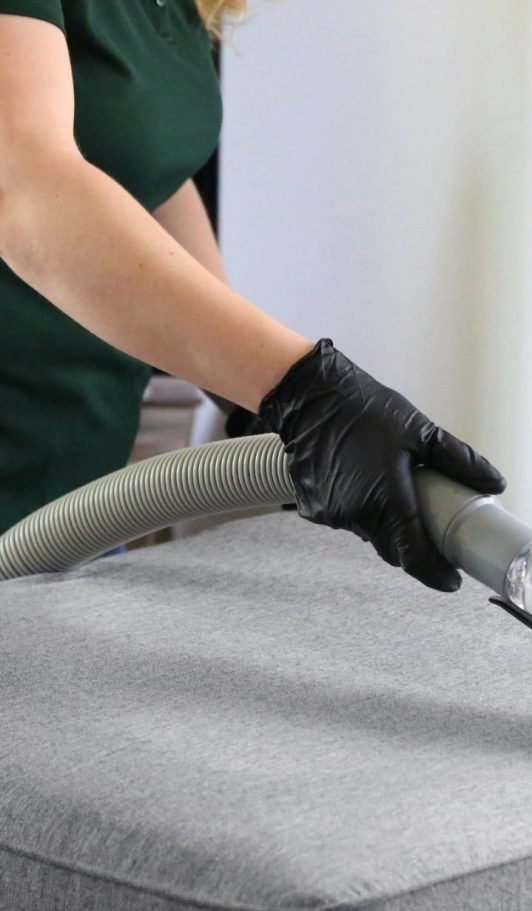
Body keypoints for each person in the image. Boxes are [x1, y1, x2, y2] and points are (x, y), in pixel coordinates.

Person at [0, 0, 506, 591]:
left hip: (76, 487)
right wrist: (309, 394)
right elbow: (23, 188)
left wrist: (251, 400)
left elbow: (149, 174)